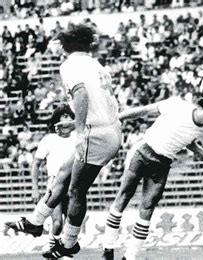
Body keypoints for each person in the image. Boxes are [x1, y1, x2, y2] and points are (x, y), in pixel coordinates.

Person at [6, 24, 122, 258]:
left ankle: (68, 244)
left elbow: (80, 94)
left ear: (66, 46)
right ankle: (36, 221)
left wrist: (79, 132)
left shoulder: (70, 65)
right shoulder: (96, 65)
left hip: (95, 133)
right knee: (62, 173)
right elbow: (103, 102)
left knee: (76, 189)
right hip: (108, 129)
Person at [102, 94, 203, 260]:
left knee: (147, 208)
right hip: (144, 151)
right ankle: (108, 248)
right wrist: (118, 118)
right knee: (124, 195)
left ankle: (130, 256)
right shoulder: (177, 105)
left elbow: (189, 140)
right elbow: (145, 110)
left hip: (162, 164)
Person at [31, 105, 76, 254]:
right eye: (63, 117)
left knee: (71, 222)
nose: (67, 120)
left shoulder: (77, 139)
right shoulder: (49, 139)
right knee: (57, 222)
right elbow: (36, 164)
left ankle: (64, 252)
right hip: (55, 183)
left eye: (69, 116)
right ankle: (53, 249)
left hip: (73, 182)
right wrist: (35, 188)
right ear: (57, 121)